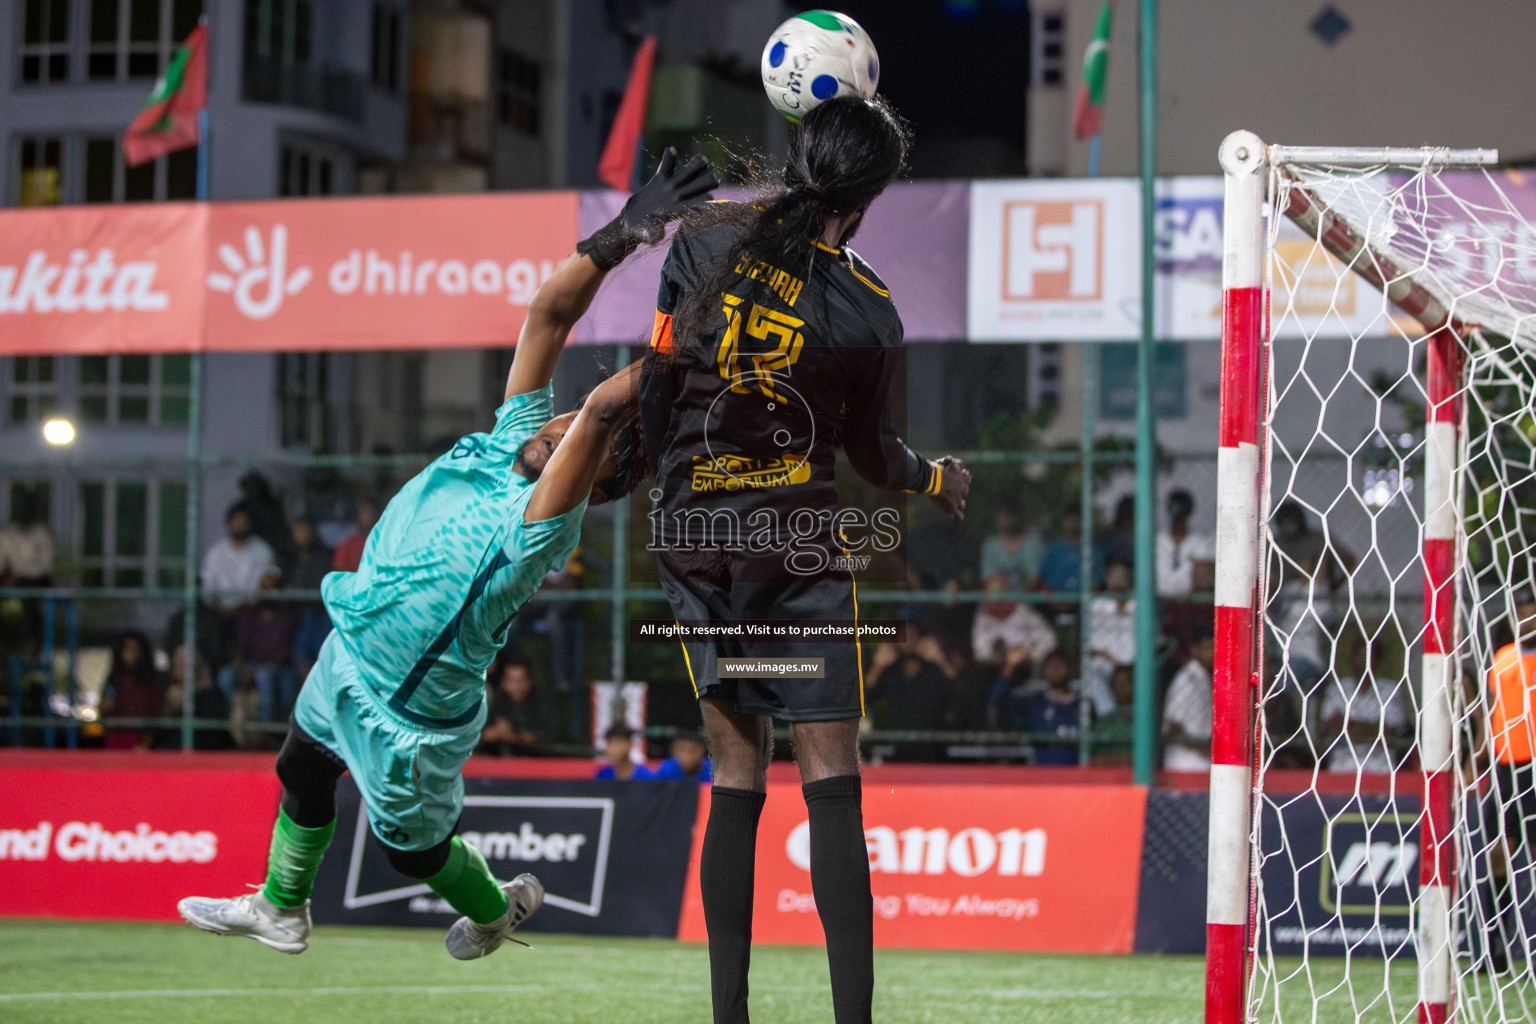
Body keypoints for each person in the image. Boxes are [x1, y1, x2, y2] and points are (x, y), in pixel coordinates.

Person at [176, 151, 717, 961]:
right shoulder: (511, 436)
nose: (559, 426)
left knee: (410, 849)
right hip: (352, 646)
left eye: (580, 438)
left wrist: (692, 341)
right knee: (302, 768)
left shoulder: (543, 522)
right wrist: (622, 233)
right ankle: (282, 908)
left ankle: (495, 910)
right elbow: (545, 318)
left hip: (411, 713)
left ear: (596, 481)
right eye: (559, 417)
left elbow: (606, 410)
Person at [638, 97, 970, 1024]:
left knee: (734, 772)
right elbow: (875, 457)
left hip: (699, 544)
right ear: (868, 200)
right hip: (796, 548)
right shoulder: (868, 310)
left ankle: (730, 1018)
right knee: (831, 778)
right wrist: (936, 476)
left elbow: (660, 385)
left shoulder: (703, 241)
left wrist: (674, 486)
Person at [1479, 595, 1536, 971]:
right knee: (1497, 855)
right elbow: (1493, 710)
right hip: (1505, 768)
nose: (1526, 621)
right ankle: (1495, 950)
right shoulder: (1501, 659)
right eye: (1522, 615)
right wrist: (1478, 757)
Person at [216, 568, 300, 725]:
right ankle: (224, 729)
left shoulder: (287, 618)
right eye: (264, 588)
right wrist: (241, 666)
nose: (267, 593)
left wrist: (255, 671)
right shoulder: (249, 615)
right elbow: (240, 648)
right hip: (250, 664)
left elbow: (283, 654)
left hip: (276, 668)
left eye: (272, 589)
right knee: (226, 673)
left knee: (264, 675)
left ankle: (266, 729)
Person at [1318, 632, 1407, 774]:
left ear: (1377, 660)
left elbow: (1389, 730)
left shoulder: (1390, 689)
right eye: (1360, 655)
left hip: (1380, 764)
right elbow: (1332, 727)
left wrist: (1349, 724)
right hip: (1343, 762)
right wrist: (1370, 727)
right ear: (1352, 658)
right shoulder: (1338, 688)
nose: (1364, 661)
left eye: (1370, 656)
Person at [100, 632, 166, 751]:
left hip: (140, 740)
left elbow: (156, 713)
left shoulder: (150, 681)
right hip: (115, 738)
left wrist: (147, 742)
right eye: (127, 649)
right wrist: (105, 707)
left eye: (135, 649)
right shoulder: (114, 679)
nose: (130, 654)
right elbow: (103, 712)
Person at [1087, 559, 1137, 717]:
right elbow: (1092, 647)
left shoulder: (1141, 604)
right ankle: (1110, 716)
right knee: (1092, 673)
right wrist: (1110, 659)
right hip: (1107, 661)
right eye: (1112, 576)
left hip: (1136, 664)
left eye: (1121, 576)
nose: (1117, 580)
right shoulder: (1098, 605)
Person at [286, 517, 333, 681]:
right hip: (292, 614)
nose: (302, 535)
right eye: (298, 531)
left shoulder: (323, 556)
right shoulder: (288, 557)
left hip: (318, 612)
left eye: (305, 531)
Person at [1162, 627, 1215, 771]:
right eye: (1207, 648)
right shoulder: (1186, 679)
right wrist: (1205, 751)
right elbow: (1172, 727)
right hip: (1184, 763)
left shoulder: (1204, 677)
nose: (1213, 653)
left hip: (1202, 763)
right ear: (1194, 649)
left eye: (1215, 647)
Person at [479, 656, 546, 756]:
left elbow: (541, 737)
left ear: (530, 682)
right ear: (503, 682)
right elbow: (480, 735)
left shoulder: (540, 703)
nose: (516, 686)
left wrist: (512, 737)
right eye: (511, 680)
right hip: (492, 762)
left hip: (533, 763)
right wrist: (494, 733)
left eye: (520, 680)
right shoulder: (493, 702)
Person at [1155, 489, 1213, 600]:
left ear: (1189, 512)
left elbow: (1202, 579)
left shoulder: (1199, 542)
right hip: (1158, 601)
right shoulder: (1157, 541)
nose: (1178, 517)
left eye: (1182, 512)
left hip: (1188, 603)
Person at [1023, 657, 1080, 766]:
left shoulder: (1082, 704)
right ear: (1043, 671)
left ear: (1069, 669)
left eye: (1060, 665)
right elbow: (1033, 733)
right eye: (1051, 666)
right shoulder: (1035, 702)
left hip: (1074, 771)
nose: (1055, 670)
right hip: (1042, 770)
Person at [978, 503, 1041, 595]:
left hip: (1025, 600)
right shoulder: (990, 545)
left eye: (1010, 514)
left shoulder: (1032, 543)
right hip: (997, 601)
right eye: (1002, 515)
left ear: (1018, 516)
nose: (1006, 519)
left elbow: (1035, 579)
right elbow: (988, 580)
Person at [330, 498, 380, 574]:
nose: (367, 517)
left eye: (371, 513)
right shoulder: (348, 544)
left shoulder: (386, 543)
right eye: (364, 512)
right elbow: (338, 570)